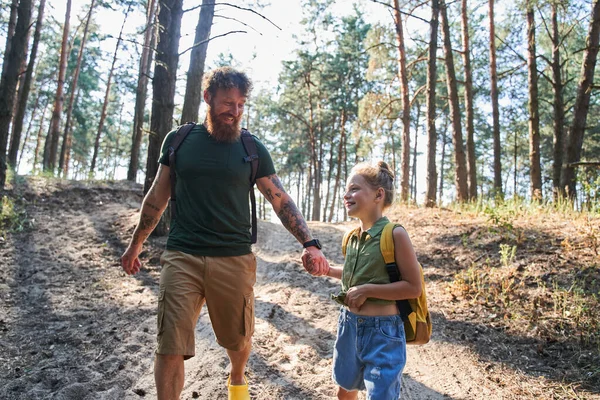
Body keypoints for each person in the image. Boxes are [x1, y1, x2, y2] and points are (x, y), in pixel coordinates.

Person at [120, 67, 329, 400]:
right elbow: (157, 197)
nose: (235, 111)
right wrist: (135, 247)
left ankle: (236, 377)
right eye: (227, 103)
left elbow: (280, 199)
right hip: (181, 256)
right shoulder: (179, 140)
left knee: (238, 340)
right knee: (169, 344)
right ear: (207, 98)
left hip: (233, 257)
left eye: (241, 104)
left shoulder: (251, 147)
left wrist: (310, 243)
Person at [322, 161, 422, 400]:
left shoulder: (395, 234)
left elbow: (413, 287)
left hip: (383, 332)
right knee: (345, 389)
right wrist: (326, 270)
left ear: (379, 194)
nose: (347, 195)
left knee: (381, 396)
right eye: (347, 190)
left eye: (354, 189)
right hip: (349, 326)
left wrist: (367, 290)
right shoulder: (351, 237)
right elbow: (353, 273)